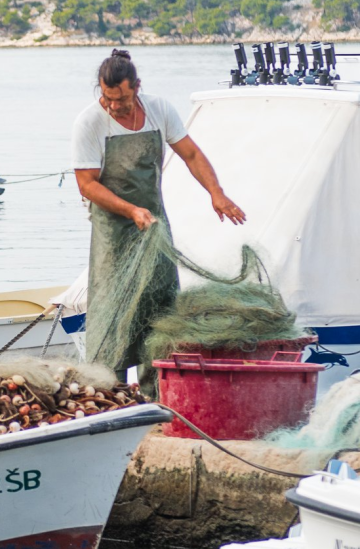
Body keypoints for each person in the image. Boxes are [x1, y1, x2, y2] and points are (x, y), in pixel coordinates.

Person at [72, 49, 244, 381]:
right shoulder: (89, 123)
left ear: (137, 87)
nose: (114, 106)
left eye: (122, 99)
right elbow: (87, 185)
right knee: (112, 310)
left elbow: (191, 154)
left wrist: (216, 193)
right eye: (107, 98)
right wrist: (130, 210)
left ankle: (156, 391)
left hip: (154, 228)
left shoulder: (159, 110)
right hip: (112, 233)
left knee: (159, 307)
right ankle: (110, 390)